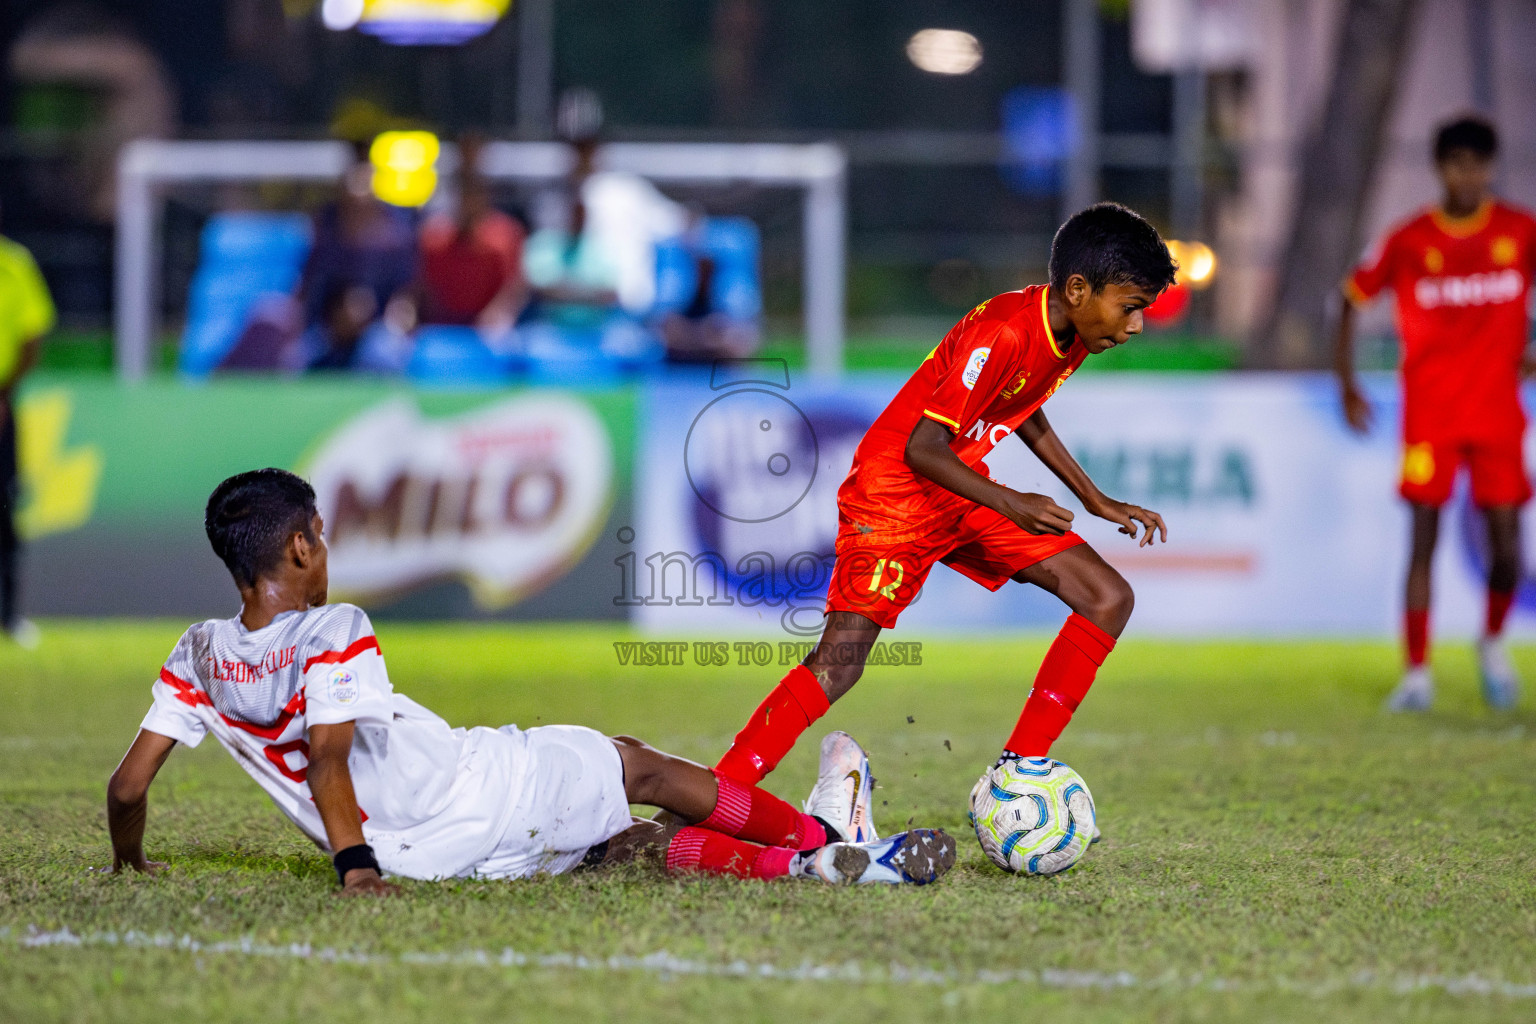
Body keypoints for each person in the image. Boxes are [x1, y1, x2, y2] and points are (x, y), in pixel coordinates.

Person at [103, 469, 955, 893]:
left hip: (429, 859)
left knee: (618, 845)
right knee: (633, 766)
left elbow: (129, 782)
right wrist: (353, 867)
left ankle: (811, 860)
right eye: (320, 539)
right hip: (464, 795)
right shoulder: (336, 626)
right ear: (301, 547)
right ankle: (822, 848)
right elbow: (329, 758)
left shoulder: (199, 652)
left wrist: (129, 860)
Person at [710, 203, 1174, 798]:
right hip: (895, 495)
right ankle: (719, 792)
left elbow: (1022, 403)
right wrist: (1010, 501)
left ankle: (1019, 774)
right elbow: (922, 447)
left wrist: (1094, 497)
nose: (1135, 326)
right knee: (839, 663)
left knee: (1106, 597)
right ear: (1080, 289)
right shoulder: (1005, 329)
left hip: (958, 488)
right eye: (1131, 307)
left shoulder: (1074, 330)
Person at [1335, 116, 1536, 712]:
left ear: (1490, 169)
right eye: (1457, 165)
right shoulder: (1409, 239)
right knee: (1422, 542)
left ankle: (1492, 643)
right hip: (1430, 416)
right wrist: (1346, 384)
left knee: (1507, 552)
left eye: (1478, 165)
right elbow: (1347, 302)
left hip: (1498, 413)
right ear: (1441, 169)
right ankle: (1417, 674)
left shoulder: (1519, 231)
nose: (1468, 176)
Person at [0, 208, 55, 649]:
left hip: (0, 404)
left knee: (4, 508)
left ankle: (9, 615)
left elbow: (33, 335)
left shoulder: (13, 265)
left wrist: (3, 393)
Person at [417, 136, 528, 334]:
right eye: (463, 193)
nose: (468, 201)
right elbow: (422, 288)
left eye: (473, 193)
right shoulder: (433, 235)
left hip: (489, 328)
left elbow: (515, 287)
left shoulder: (507, 235)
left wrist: (497, 315)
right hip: (441, 326)